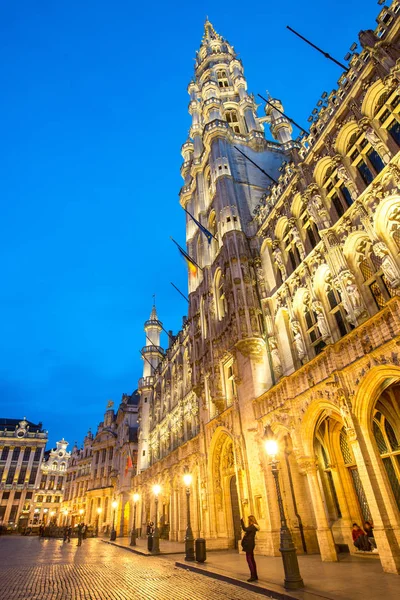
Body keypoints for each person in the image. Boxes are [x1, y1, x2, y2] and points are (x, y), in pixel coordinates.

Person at [240, 515, 259, 582]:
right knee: (252, 559)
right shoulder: (253, 527)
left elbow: (245, 529)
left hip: (249, 544)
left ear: (251, 520)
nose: (248, 521)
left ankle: (253, 576)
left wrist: (241, 522)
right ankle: (255, 575)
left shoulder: (252, 526)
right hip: (250, 544)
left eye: (248, 520)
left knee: (249, 560)